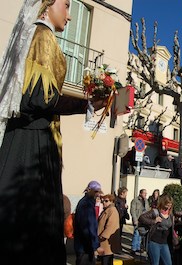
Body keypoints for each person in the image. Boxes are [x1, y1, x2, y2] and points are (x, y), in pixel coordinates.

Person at [0, 1, 106, 263]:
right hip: (33, 144)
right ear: (46, 5)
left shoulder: (35, 36)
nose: (70, 16)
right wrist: (87, 104)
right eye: (67, 6)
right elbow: (38, 98)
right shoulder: (43, 37)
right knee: (33, 233)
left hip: (26, 138)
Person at [138, 194, 177, 265]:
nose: (169, 207)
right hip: (154, 242)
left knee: (168, 263)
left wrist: (175, 241)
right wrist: (154, 221)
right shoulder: (155, 212)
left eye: (170, 205)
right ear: (163, 203)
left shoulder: (170, 215)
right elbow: (141, 218)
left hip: (165, 243)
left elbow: (171, 230)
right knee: (155, 263)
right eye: (167, 205)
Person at [74, 181, 104, 265]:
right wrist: (96, 245)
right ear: (89, 190)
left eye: (99, 192)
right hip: (84, 247)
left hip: (85, 247)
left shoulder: (88, 203)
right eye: (96, 191)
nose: (98, 194)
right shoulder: (86, 204)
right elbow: (88, 227)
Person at [97, 194, 120, 265]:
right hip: (103, 242)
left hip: (106, 242)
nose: (104, 202)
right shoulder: (106, 210)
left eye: (106, 201)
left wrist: (102, 236)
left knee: (106, 260)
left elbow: (110, 226)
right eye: (103, 201)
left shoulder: (112, 210)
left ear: (111, 202)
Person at [130, 188, 150, 254]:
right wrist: (135, 220)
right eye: (144, 193)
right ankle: (133, 248)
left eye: (146, 193)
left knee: (141, 234)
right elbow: (132, 210)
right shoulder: (135, 200)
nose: (145, 194)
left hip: (144, 220)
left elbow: (148, 210)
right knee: (136, 233)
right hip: (138, 219)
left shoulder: (146, 201)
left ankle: (138, 248)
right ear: (140, 193)